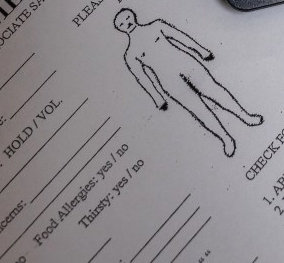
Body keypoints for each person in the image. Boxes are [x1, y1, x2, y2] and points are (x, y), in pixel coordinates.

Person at [113, 8, 263, 157]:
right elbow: (142, 78)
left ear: (132, 15)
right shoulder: (131, 54)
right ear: (119, 28)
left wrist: (201, 50)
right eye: (121, 23)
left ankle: (246, 117)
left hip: (185, 62)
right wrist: (157, 98)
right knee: (197, 109)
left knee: (214, 90)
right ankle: (225, 138)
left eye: (126, 18)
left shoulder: (156, 26)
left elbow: (180, 37)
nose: (126, 23)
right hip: (168, 79)